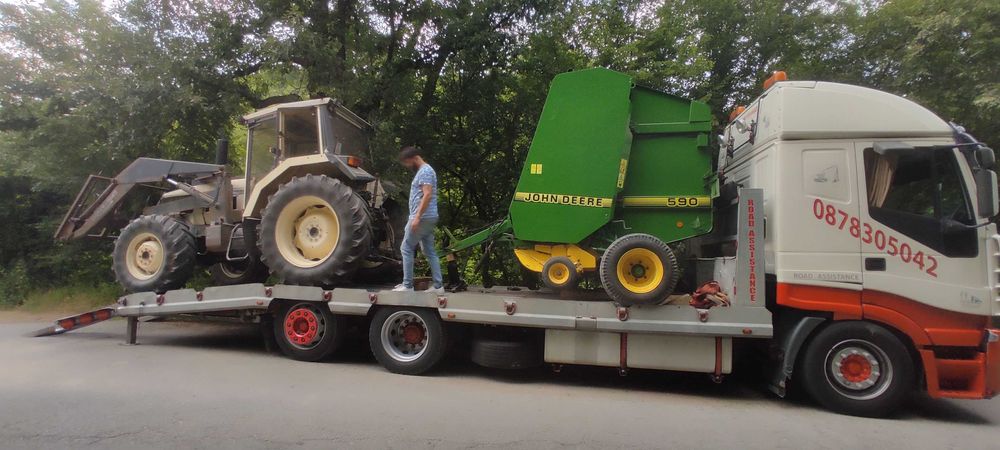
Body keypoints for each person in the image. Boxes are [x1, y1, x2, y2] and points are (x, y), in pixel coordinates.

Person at [393, 146, 444, 293]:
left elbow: (427, 194)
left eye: (408, 163)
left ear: (414, 158)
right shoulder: (425, 171)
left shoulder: (425, 171)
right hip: (428, 217)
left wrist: (417, 217)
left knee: (406, 248)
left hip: (423, 217)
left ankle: (407, 285)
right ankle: (438, 286)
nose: (408, 166)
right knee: (429, 251)